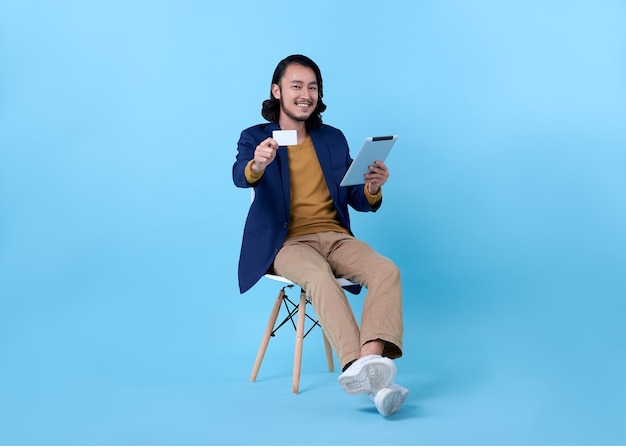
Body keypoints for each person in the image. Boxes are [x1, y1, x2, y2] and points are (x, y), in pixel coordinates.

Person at [232, 54, 408, 416]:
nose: (305, 94)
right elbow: (240, 175)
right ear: (276, 90)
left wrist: (372, 187)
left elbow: (355, 198)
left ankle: (367, 368)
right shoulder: (255, 138)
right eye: (296, 86)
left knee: (386, 270)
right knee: (317, 276)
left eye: (312, 87)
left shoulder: (332, 138)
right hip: (287, 243)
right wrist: (258, 164)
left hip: (335, 235)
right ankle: (371, 377)